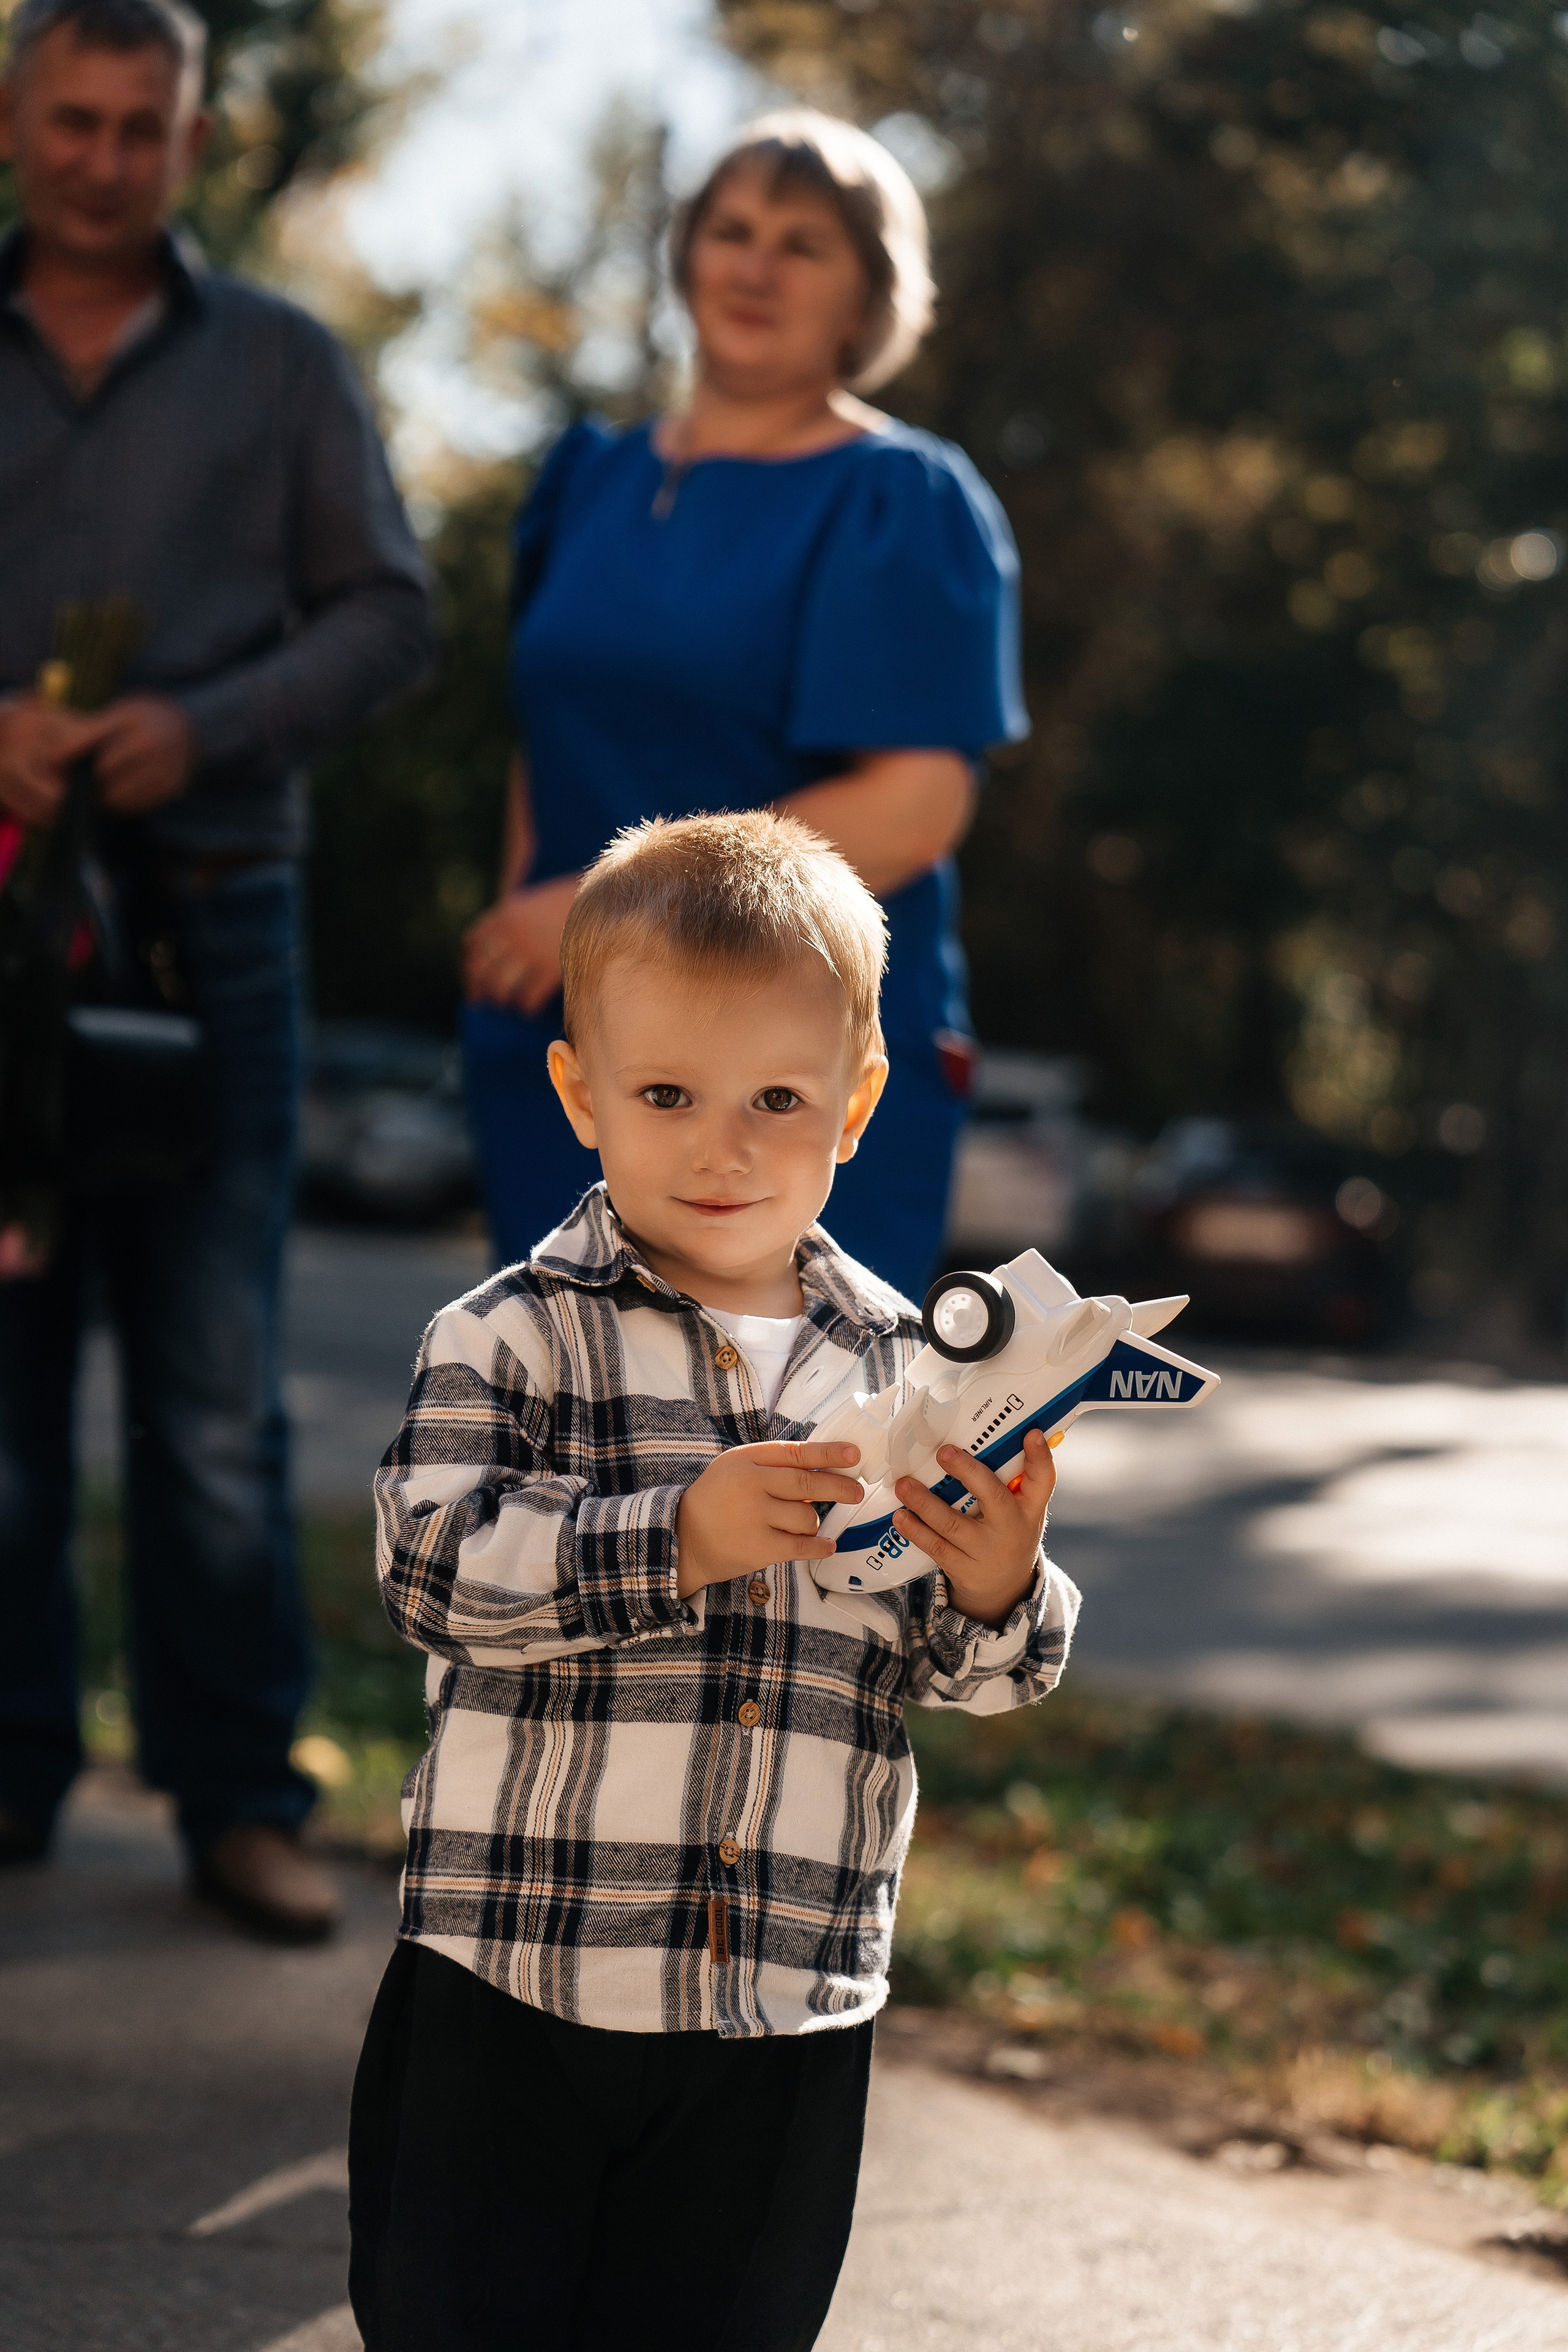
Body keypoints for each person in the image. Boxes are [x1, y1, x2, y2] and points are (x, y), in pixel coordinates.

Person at [350, 810, 1077, 2352]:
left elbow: (977, 1677)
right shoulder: (511, 1334)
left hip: (785, 2000)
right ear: (579, 1092)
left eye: (776, 1099)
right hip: (517, 1969)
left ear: (858, 1104)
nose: (722, 1144)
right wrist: (672, 1536)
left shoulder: (915, 1369)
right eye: (667, 1093)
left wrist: (1001, 1588)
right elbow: (427, 1568)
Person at [0, 0, 434, 1938]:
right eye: (71, 120)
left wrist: (213, 723)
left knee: (207, 1395)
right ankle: (11, 1792)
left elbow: (392, 617)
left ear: (192, 138)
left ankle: (240, 1800)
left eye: (141, 126)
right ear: (16, 119)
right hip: (3, 927)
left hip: (213, 935)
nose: (103, 157)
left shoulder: (280, 365)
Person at [461, 108, 1026, 1303]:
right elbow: (547, 731)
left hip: (788, 1072)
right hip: (574, 1043)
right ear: (686, 256)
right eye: (730, 229)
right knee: (578, 1450)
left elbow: (915, 802)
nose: (754, 265)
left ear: (866, 294)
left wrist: (601, 908)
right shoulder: (588, 478)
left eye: (802, 243)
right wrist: (526, 924)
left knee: (788, 1465)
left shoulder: (899, 498)